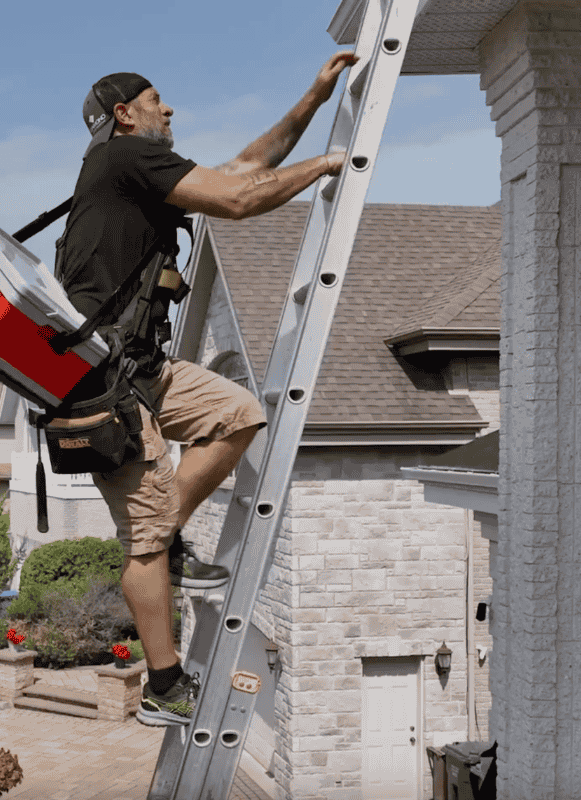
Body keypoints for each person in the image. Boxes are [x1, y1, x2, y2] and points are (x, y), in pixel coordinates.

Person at [54, 52, 358, 727]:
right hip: (104, 388)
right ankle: (164, 684)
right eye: (158, 99)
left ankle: (170, 538)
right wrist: (328, 165)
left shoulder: (134, 171)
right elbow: (242, 199)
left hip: (140, 368)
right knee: (144, 544)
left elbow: (243, 170)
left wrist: (313, 97)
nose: (171, 109)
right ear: (124, 114)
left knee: (237, 412)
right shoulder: (122, 158)